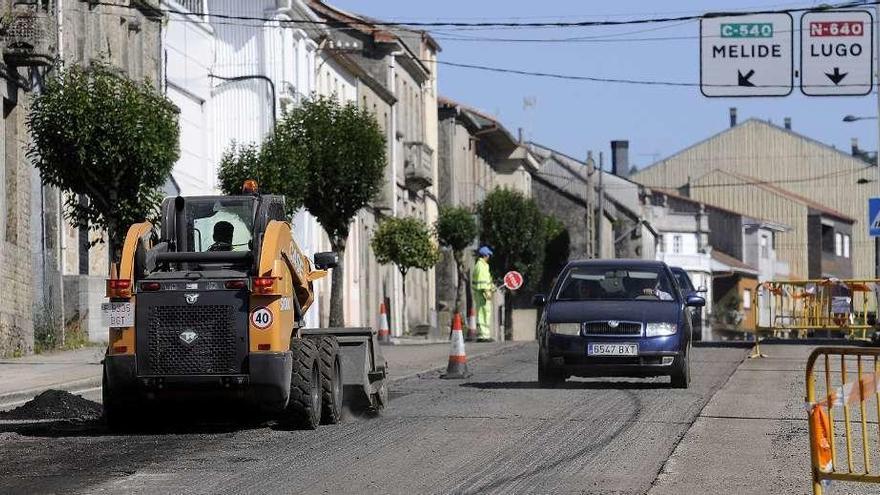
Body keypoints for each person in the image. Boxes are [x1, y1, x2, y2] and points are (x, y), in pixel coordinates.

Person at [471, 246, 494, 342]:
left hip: (483, 293)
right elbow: (481, 281)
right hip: (482, 294)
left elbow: (487, 280)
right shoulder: (480, 266)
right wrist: (486, 291)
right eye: (488, 255)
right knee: (482, 314)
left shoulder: (483, 265)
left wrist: (491, 288)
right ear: (485, 255)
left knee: (485, 313)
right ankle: (483, 335)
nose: (489, 257)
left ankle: (485, 334)